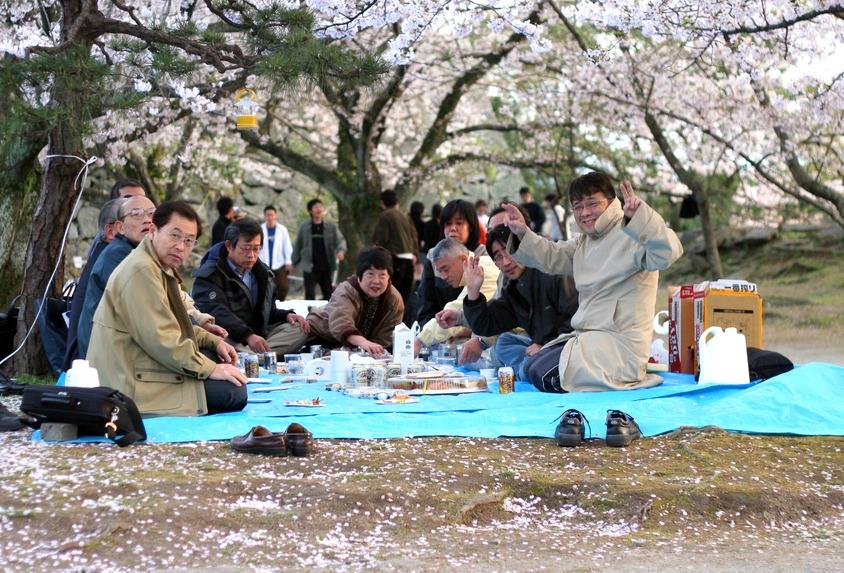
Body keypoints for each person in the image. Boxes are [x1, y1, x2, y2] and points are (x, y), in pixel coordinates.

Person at [501, 172, 683, 392]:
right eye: (577, 206)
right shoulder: (583, 242)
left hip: (619, 345)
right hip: (586, 339)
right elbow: (551, 255)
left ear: (611, 201)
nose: (584, 213)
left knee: (544, 375)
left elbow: (669, 253)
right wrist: (523, 232)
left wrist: (641, 219)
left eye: (592, 204)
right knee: (529, 366)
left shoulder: (633, 232)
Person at [88, 201, 248, 417]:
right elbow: (163, 340)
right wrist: (210, 369)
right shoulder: (141, 270)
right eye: (174, 235)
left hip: (141, 361)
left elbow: (172, 323)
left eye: (189, 241)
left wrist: (213, 341)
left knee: (217, 357)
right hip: (126, 381)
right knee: (234, 392)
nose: (181, 246)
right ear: (153, 230)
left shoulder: (156, 265)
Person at [459, 224, 578, 380]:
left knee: (533, 366)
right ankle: (529, 367)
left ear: (524, 248)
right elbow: (487, 324)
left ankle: (530, 369)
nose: (506, 262)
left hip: (574, 345)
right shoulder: (515, 288)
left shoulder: (552, 273)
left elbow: (576, 320)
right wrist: (473, 291)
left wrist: (547, 346)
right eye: (498, 257)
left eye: (509, 252)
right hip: (541, 347)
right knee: (505, 343)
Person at [193, 218, 310, 356]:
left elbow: (268, 313)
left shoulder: (263, 273)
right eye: (246, 248)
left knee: (300, 329)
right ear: (229, 246)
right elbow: (216, 312)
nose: (252, 255)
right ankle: (255, 355)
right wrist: (247, 336)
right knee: (213, 336)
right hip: (229, 335)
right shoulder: (210, 274)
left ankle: (250, 355)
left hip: (256, 335)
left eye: (256, 248)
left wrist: (286, 315)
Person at [76, 195, 156, 358]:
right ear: (119, 227)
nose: (147, 220)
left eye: (152, 214)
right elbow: (147, 307)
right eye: (137, 214)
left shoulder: (139, 252)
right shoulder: (117, 255)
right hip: (106, 353)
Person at [306, 246, 404, 357]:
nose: (376, 281)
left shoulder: (394, 300)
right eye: (370, 274)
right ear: (359, 276)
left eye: (382, 275)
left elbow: (386, 336)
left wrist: (369, 350)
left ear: (389, 278)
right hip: (325, 337)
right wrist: (363, 344)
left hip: (361, 348)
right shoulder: (346, 291)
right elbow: (341, 325)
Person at [63, 198, 124, 370]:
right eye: (132, 218)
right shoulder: (112, 257)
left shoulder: (105, 251)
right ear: (111, 231)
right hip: (90, 362)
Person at [419, 238, 499, 365]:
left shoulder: (480, 268)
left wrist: (420, 340)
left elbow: (456, 309)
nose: (444, 277)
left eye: (446, 269)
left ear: (463, 259)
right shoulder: (479, 265)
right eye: (440, 272)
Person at [414, 199, 485, 326]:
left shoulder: (484, 256)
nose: (452, 229)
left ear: (472, 227)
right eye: (447, 224)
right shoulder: (432, 257)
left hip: (477, 332)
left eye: (459, 223)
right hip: (441, 332)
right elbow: (426, 307)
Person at [292, 198, 347, 300]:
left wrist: (341, 251)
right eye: (316, 207)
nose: (319, 209)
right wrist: (294, 262)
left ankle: (328, 316)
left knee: (328, 295)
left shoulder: (331, 226)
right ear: (310, 210)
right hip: (309, 267)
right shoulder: (304, 227)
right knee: (309, 296)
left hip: (326, 267)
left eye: (320, 206)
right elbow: (298, 245)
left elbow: (341, 241)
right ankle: (310, 315)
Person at [371, 190, 418, 306]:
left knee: (390, 299)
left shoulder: (385, 216)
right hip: (409, 260)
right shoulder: (406, 217)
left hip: (394, 260)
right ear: (397, 202)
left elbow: (382, 239)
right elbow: (414, 237)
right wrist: (415, 255)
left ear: (382, 203)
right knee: (403, 299)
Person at [259, 205, 293, 301]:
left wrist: (288, 261)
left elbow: (287, 246)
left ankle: (279, 303)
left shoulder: (282, 229)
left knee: (283, 287)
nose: (270, 217)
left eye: (272, 215)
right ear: (264, 216)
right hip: (263, 263)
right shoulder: (260, 229)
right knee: (265, 288)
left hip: (279, 264)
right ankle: (269, 305)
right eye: (268, 215)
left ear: (275, 216)